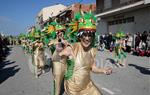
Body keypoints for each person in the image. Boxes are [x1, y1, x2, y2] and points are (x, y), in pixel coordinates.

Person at [59, 5, 112, 95]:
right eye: (84, 35)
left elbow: (93, 68)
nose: (87, 38)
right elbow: (57, 59)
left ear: (93, 37)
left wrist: (103, 70)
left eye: (90, 35)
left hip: (88, 85)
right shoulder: (72, 47)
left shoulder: (92, 50)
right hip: (73, 89)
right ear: (80, 35)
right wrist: (59, 51)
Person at [48, 22, 68, 95]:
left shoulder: (65, 40)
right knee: (57, 81)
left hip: (65, 63)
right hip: (57, 63)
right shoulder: (53, 41)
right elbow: (52, 46)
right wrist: (55, 43)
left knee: (67, 82)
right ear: (56, 33)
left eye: (62, 32)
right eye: (58, 32)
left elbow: (68, 46)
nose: (60, 33)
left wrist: (62, 40)